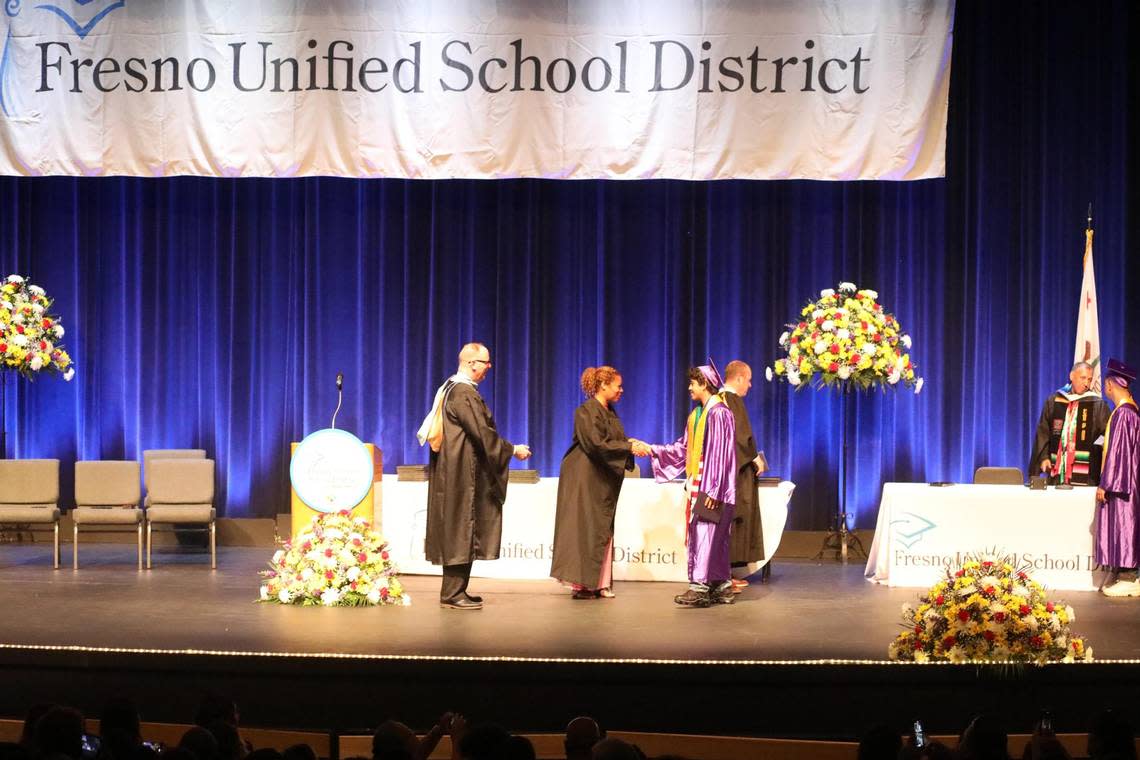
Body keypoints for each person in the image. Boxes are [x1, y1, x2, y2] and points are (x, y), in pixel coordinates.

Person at [419, 342, 531, 609]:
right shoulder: (462, 392)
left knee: (461, 528)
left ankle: (456, 591)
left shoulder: (452, 389)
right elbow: (482, 433)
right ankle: (452, 594)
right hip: (462, 473)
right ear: (471, 363)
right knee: (461, 527)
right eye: (485, 363)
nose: (489, 368)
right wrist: (512, 449)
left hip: (459, 469)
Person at [646, 359, 736, 607]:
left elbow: (720, 454)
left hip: (714, 486)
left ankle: (700, 588)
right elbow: (682, 449)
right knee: (710, 536)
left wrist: (713, 489)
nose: (689, 388)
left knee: (707, 535)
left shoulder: (718, 413)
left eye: (692, 383)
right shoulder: (698, 414)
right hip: (702, 481)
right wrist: (652, 449)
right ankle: (721, 586)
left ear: (704, 383)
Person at [550, 366, 646, 599]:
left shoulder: (609, 412)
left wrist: (629, 443)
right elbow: (595, 443)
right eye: (618, 385)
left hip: (602, 477)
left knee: (602, 527)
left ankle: (600, 582)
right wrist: (628, 447)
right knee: (585, 528)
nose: (621, 390)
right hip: (585, 477)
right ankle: (582, 585)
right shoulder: (586, 411)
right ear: (603, 385)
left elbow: (612, 441)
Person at [1095, 359, 1140, 596]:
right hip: (1129, 479)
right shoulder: (1131, 410)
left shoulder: (1123, 413)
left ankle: (1128, 577)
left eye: (1106, 384)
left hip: (1123, 483)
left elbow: (1118, 453)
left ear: (1111, 384)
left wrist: (1106, 483)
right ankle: (1126, 574)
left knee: (1125, 524)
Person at [720, 360, 765, 592]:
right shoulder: (731, 400)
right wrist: (754, 458)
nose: (749, 385)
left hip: (732, 469)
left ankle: (726, 573)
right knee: (734, 518)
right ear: (738, 378)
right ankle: (724, 573)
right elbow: (739, 438)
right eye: (747, 380)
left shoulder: (721, 401)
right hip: (735, 473)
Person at [1030, 361, 1110, 485]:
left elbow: (1106, 434)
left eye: (1089, 379)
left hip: (1086, 470)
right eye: (1082, 378)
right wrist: (1044, 458)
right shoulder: (1055, 400)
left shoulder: (1097, 404)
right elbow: (1043, 432)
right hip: (1057, 469)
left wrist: (1094, 448)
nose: (1086, 383)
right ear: (1071, 376)